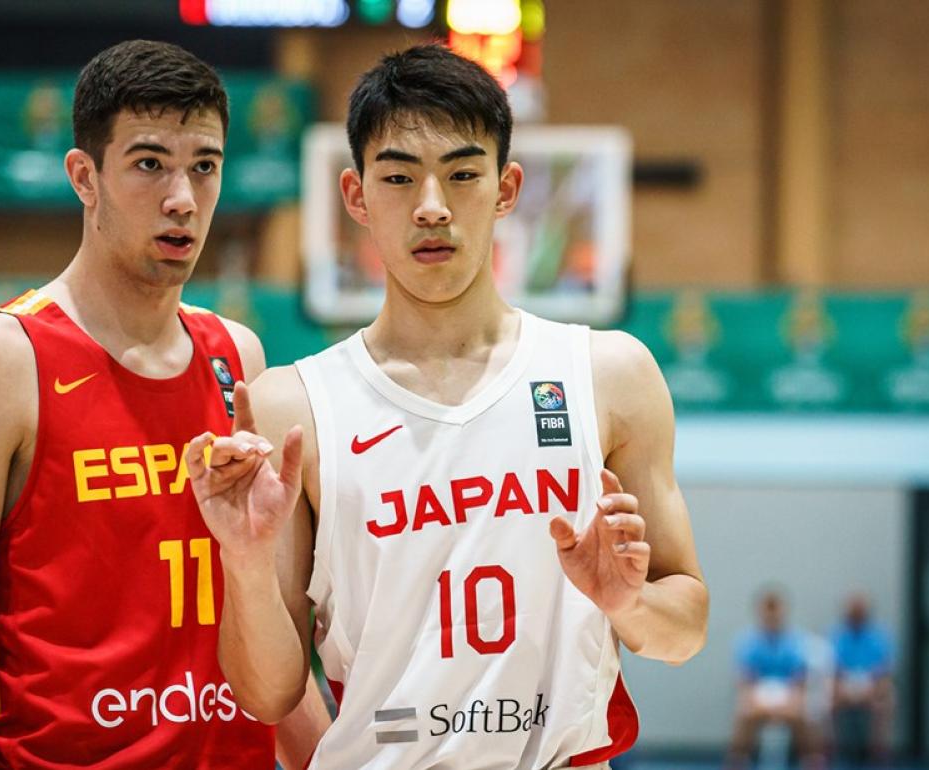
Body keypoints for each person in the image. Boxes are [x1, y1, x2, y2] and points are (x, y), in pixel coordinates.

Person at [185, 44, 709, 768]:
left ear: (506, 188)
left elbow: (686, 630)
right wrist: (242, 562)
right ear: (356, 196)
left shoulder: (607, 374)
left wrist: (629, 604)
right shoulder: (292, 406)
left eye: (462, 174)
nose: (432, 207)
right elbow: (265, 696)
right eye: (399, 178)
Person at [0, 39, 326, 768]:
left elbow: (281, 667)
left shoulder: (240, 358)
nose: (182, 199)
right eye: (149, 163)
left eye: (204, 166)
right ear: (84, 176)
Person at [727, 590, 823, 770]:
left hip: (788, 694)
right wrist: (760, 704)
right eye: (767, 609)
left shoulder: (798, 641)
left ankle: (810, 760)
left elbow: (799, 681)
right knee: (744, 714)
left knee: (802, 714)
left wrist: (787, 704)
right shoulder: (747, 641)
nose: (772, 615)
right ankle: (738, 762)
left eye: (776, 609)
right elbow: (746, 683)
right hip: (758, 694)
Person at [831, 593, 894, 764]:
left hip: (871, 684)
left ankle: (877, 751)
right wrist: (845, 691)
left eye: (860, 611)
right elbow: (833, 670)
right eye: (853, 611)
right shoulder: (837, 635)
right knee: (827, 700)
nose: (856, 614)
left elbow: (884, 671)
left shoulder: (879, 637)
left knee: (886, 701)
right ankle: (833, 750)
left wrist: (871, 691)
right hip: (844, 684)